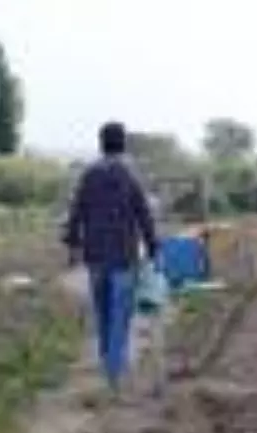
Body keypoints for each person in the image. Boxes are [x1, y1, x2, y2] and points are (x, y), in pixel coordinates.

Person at [62, 121, 159, 390]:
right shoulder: (129, 176)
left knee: (102, 312)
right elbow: (144, 215)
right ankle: (114, 372)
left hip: (95, 256)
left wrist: (72, 245)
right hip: (123, 256)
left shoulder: (89, 175)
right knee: (120, 314)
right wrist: (153, 248)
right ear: (123, 144)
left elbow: (76, 212)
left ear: (101, 144)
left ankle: (108, 361)